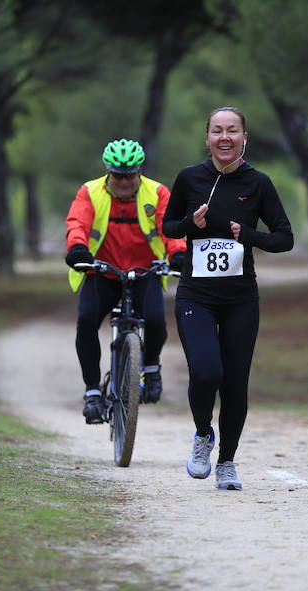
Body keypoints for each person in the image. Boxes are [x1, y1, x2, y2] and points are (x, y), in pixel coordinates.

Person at [162, 107, 293, 490]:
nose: (225, 137)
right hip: (196, 294)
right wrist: (191, 225)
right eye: (217, 131)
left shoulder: (259, 183)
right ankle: (203, 435)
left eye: (232, 131)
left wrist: (250, 235)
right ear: (207, 138)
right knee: (206, 372)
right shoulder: (190, 178)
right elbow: (168, 226)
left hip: (240, 299)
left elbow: (285, 238)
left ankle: (228, 463)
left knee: (235, 383)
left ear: (244, 138)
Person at [65, 139, 186, 424]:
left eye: (129, 174)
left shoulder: (157, 192)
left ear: (139, 171)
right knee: (86, 321)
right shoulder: (90, 192)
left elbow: (170, 226)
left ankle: (152, 366)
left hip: (145, 272)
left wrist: (178, 252)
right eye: (117, 175)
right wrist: (77, 248)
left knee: (156, 320)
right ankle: (93, 390)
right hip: (102, 271)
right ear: (108, 171)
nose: (123, 181)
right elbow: (77, 223)